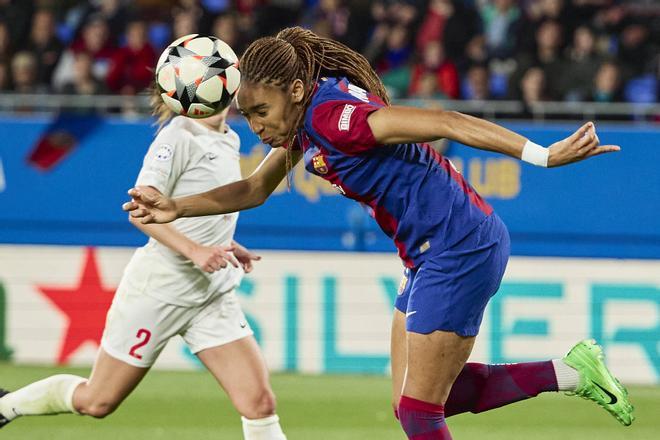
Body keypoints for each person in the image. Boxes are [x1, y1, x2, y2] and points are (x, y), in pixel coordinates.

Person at [122, 27, 634, 439]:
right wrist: (175, 207)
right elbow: (254, 189)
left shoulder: (336, 119)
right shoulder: (305, 122)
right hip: (429, 255)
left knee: (418, 414)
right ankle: (571, 372)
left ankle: (571, 372)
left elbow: (446, 120)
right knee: (416, 402)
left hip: (460, 246)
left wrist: (542, 155)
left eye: (260, 111)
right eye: (247, 113)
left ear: (295, 91)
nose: (254, 125)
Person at [0, 89, 288, 440]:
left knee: (259, 403)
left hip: (209, 294)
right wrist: (196, 251)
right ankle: (5, 407)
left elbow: (202, 207)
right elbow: (142, 213)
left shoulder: (228, 136)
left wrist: (224, 244)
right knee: (98, 401)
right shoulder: (177, 136)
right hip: (160, 288)